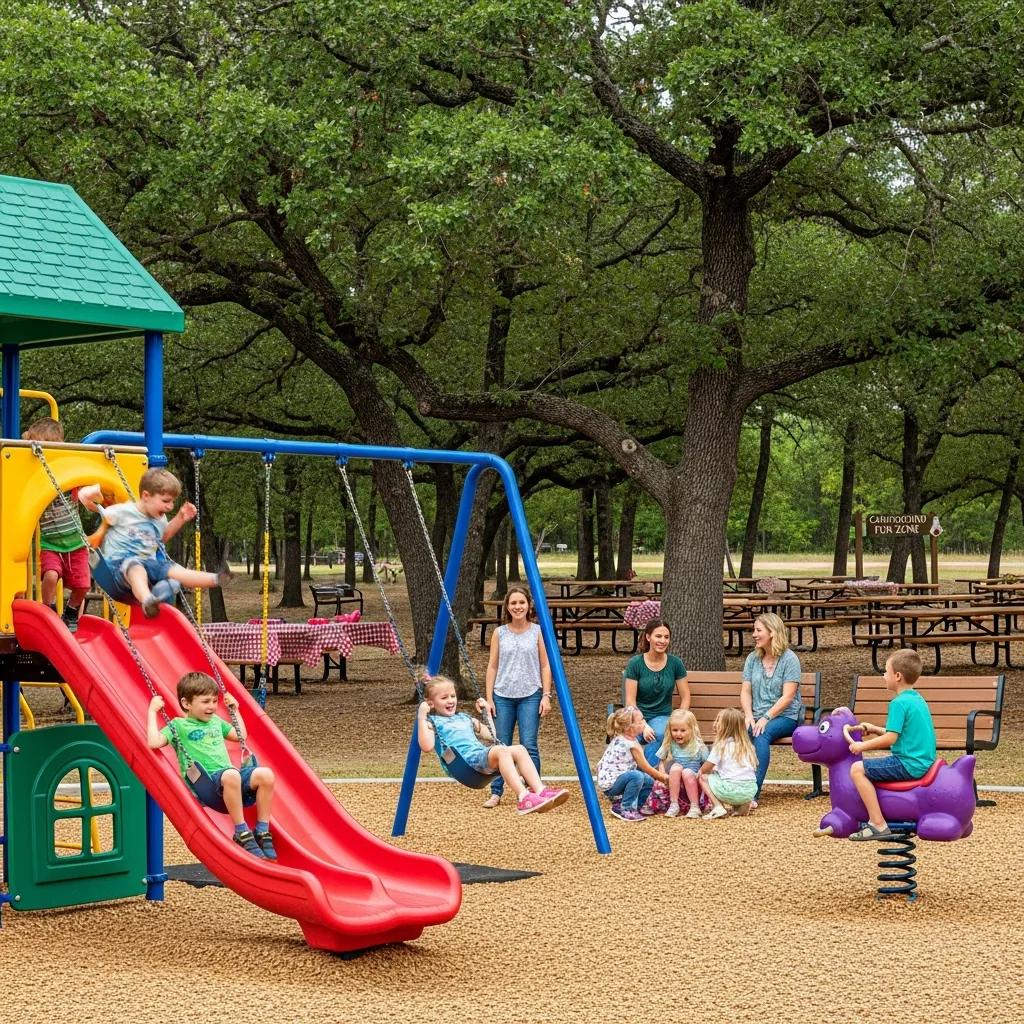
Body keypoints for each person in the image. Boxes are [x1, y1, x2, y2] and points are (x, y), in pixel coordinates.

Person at [147, 672, 277, 859]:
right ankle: (241, 832)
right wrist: (152, 712)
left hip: (229, 778)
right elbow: (154, 742)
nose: (212, 707)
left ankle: (262, 830)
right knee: (232, 774)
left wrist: (236, 710)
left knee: (266, 774)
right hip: (206, 783)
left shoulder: (216, 722)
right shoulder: (178, 725)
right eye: (206, 701)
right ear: (186, 704)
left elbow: (239, 735)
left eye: (215, 701)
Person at [82, 467, 229, 617]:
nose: (170, 506)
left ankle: (216, 579)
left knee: (174, 571)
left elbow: (162, 538)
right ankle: (147, 600)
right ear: (146, 495)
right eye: (165, 501)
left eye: (172, 502)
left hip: (149, 564)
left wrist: (180, 518)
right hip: (117, 567)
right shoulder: (122, 511)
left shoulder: (160, 519)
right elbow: (88, 502)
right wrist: (91, 493)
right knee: (135, 567)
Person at [416, 674, 568, 815]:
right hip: (465, 763)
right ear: (431, 703)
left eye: (453, 696)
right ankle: (524, 797)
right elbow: (427, 746)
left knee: (520, 749)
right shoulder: (433, 723)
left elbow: (493, 736)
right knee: (502, 750)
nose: (450, 700)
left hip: (481, 756)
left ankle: (540, 790)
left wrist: (487, 713)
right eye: (444, 698)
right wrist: (422, 716)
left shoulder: (465, 718)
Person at [847, 649, 936, 841]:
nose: (883, 676)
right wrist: (875, 729)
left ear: (897, 676)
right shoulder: (917, 699)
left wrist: (861, 746)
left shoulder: (898, 703)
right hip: (922, 761)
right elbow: (900, 734)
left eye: (886, 672)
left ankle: (877, 823)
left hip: (908, 764)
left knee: (857, 769)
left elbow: (891, 739)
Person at [482, 585, 553, 809]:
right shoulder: (499, 633)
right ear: (507, 607)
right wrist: (489, 698)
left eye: (521, 602)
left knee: (529, 744)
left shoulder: (537, 631)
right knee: (501, 745)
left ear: (529, 605)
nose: (517, 607)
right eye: (513, 603)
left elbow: (545, 665)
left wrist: (546, 695)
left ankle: (535, 790)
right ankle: (496, 791)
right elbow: (492, 666)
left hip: (531, 694)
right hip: (503, 694)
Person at [23, 417, 91, 633]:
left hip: (76, 543)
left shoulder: (69, 476)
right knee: (51, 576)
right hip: (51, 543)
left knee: (83, 585)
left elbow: (87, 482)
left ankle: (71, 611)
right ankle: (49, 608)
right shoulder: (35, 479)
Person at [740, 612, 803, 809]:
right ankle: (728, 788)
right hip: (757, 715)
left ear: (772, 632)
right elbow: (746, 691)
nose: (754, 634)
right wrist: (749, 716)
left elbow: (788, 696)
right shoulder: (752, 658)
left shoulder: (789, 659)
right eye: (754, 630)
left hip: (785, 716)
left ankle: (752, 794)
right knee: (736, 733)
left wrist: (766, 717)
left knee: (761, 733)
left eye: (758, 630)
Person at [622, 618, 690, 766]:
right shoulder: (636, 663)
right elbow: (630, 702)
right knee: (627, 737)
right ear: (648, 637)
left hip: (662, 716)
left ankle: (648, 776)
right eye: (658, 636)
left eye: (666, 637)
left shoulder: (675, 663)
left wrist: (678, 719)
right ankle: (643, 775)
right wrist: (644, 725)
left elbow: (685, 697)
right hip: (636, 716)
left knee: (658, 733)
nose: (663, 641)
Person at [597, 705, 670, 822]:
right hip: (612, 785)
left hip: (617, 779)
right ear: (630, 728)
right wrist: (663, 778)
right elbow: (645, 767)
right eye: (641, 721)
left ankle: (634, 807)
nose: (644, 722)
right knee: (637, 776)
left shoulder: (623, 737)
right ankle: (626, 809)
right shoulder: (632, 745)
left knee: (648, 781)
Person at [698, 707, 758, 820]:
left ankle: (718, 806)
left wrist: (698, 772)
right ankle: (742, 805)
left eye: (718, 722)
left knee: (703, 777)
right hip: (750, 791)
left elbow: (706, 768)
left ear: (726, 727)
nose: (714, 724)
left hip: (731, 791)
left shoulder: (720, 746)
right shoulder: (748, 746)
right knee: (731, 776)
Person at [655, 708, 709, 819]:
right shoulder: (670, 744)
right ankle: (674, 804)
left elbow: (707, 765)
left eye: (683, 730)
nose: (678, 734)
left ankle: (695, 806)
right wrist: (662, 774)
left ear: (691, 729)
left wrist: (702, 774)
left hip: (693, 780)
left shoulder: (699, 746)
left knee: (687, 772)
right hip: (676, 782)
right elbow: (661, 761)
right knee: (675, 767)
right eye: (675, 730)